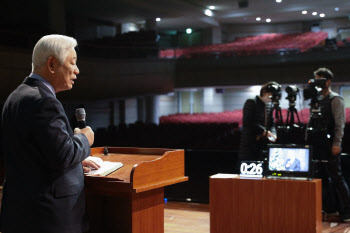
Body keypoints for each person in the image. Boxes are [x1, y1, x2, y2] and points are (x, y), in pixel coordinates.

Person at [0, 35, 100, 233]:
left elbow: (36, 155)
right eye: (73, 63)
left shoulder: (15, 96)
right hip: (48, 218)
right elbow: (63, 155)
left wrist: (76, 163)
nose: (77, 70)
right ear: (52, 64)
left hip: (20, 214)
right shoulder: (44, 102)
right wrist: (84, 138)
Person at [307, 67, 350, 221]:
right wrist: (308, 141)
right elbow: (310, 122)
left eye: (320, 78)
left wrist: (337, 143)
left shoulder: (336, 99)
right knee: (322, 178)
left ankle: (347, 211)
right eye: (315, 78)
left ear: (328, 81)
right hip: (317, 144)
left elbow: (340, 124)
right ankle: (329, 208)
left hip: (330, 143)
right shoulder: (316, 99)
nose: (317, 82)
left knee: (337, 178)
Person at [239, 81, 279, 162]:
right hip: (250, 144)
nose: (272, 98)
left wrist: (274, 134)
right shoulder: (251, 102)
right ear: (264, 92)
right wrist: (265, 132)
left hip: (263, 144)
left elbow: (272, 122)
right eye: (271, 95)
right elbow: (249, 122)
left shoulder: (269, 105)